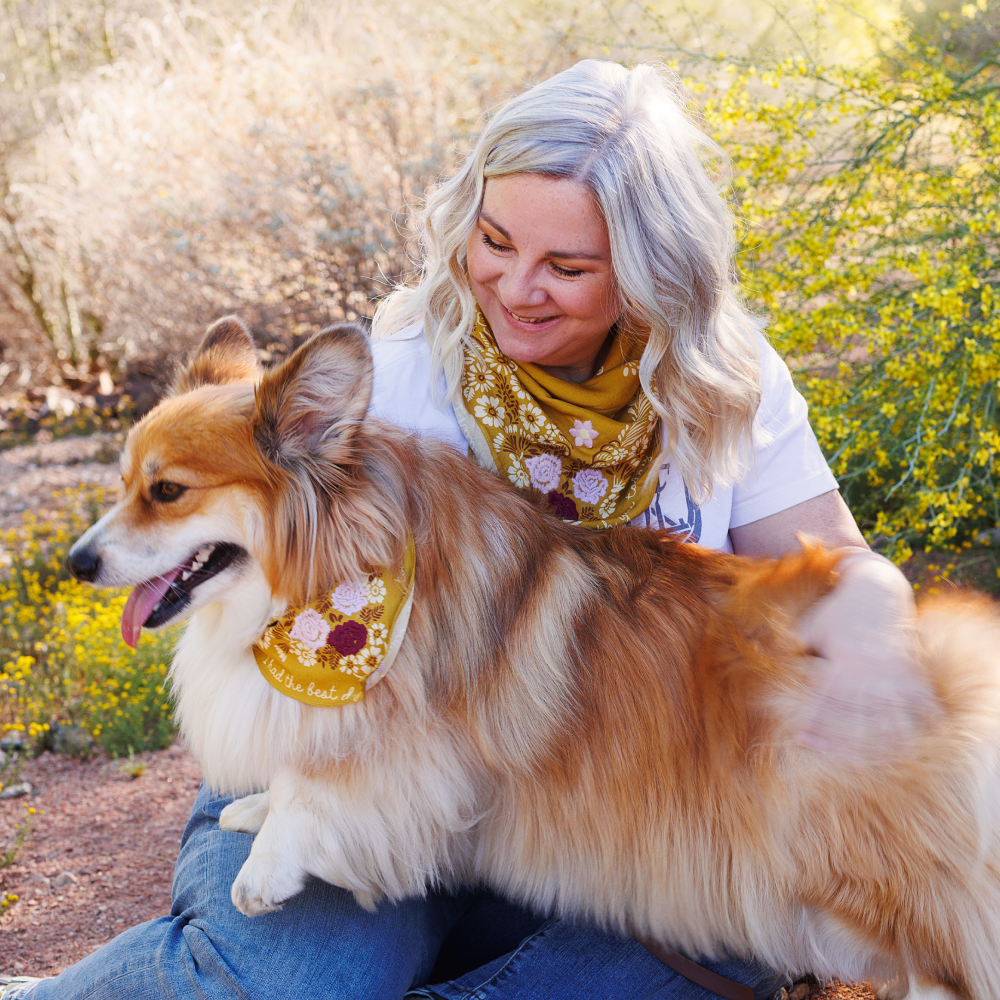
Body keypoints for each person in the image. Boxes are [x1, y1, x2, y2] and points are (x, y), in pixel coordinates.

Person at [0, 59, 935, 1000]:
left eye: (568, 268)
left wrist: (869, 626)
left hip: (595, 802)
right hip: (349, 772)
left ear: (653, 274)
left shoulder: (727, 389)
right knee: (274, 983)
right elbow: (274, 581)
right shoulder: (398, 371)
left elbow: (841, 564)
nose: (516, 288)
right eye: (494, 240)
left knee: (729, 930)